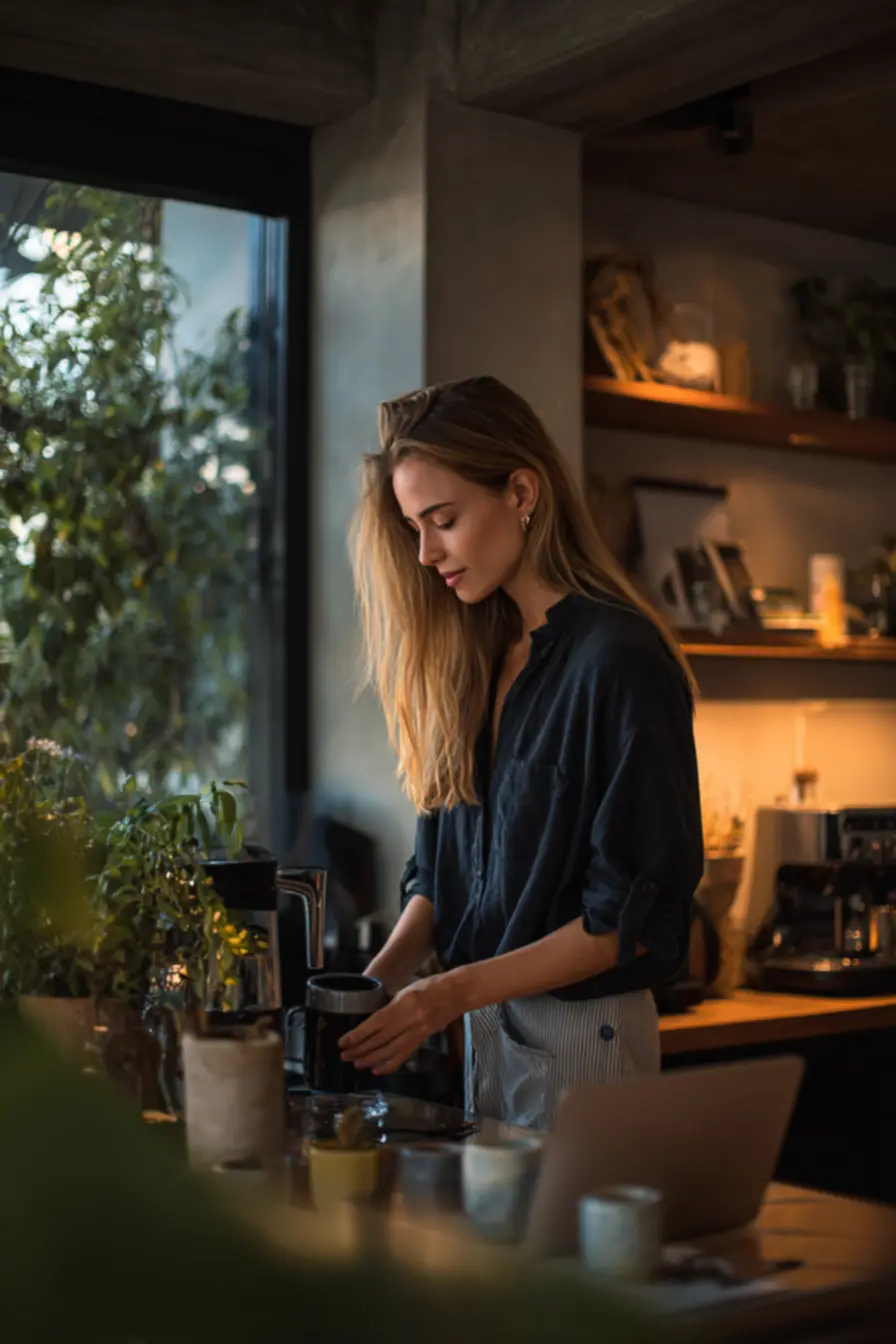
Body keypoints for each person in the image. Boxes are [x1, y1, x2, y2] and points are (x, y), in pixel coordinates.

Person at [340, 376, 703, 1129]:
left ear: (521, 492)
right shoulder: (473, 659)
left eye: (442, 519)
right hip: (485, 1027)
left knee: (582, 1251)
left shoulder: (619, 662)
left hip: (584, 1038)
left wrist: (448, 993)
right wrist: (369, 993)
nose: (424, 552)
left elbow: (622, 923)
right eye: (414, 527)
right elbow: (439, 881)